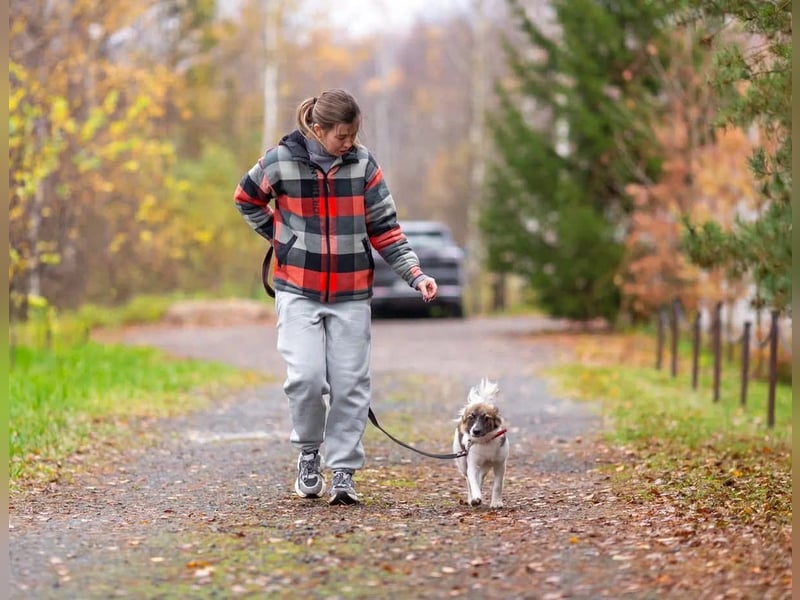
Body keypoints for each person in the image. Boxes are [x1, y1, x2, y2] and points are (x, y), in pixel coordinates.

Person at [233, 89, 438, 505]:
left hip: (350, 293)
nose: (350, 143)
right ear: (318, 128)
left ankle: (342, 471)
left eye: (354, 134)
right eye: (342, 136)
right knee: (306, 378)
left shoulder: (363, 165)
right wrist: (282, 237)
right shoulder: (281, 160)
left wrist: (416, 274)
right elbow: (246, 198)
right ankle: (309, 453)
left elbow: (385, 228)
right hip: (298, 290)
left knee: (350, 385)